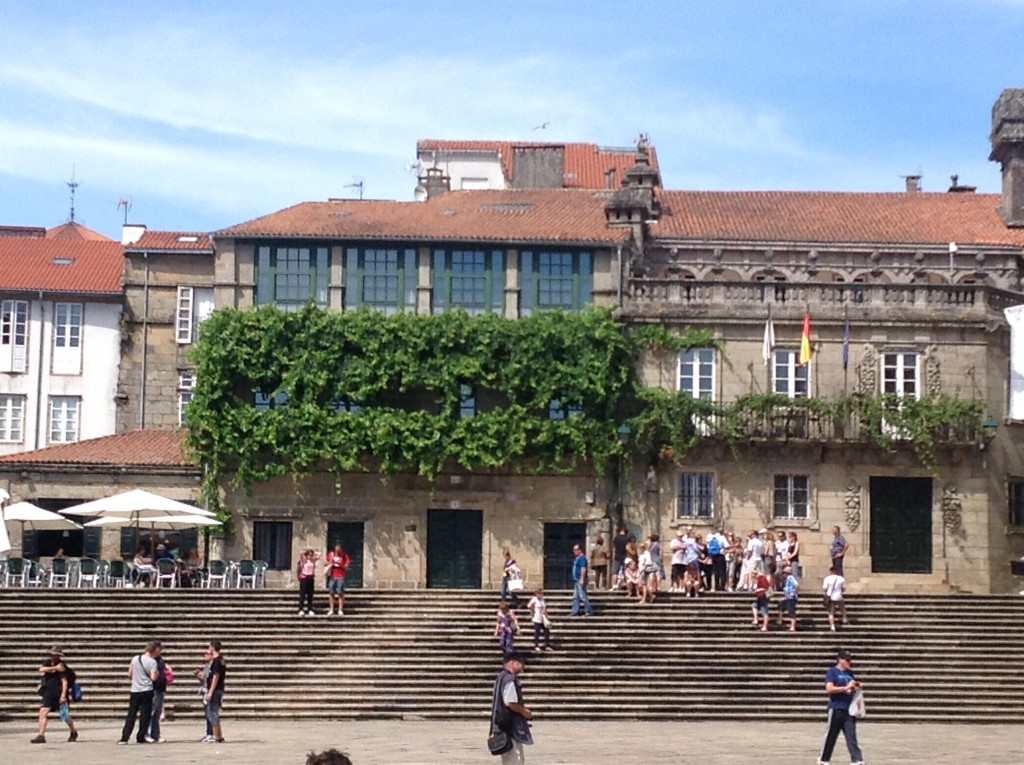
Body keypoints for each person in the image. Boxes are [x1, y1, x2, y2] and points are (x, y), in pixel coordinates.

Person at [817, 649, 865, 765]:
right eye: (847, 660)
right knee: (831, 734)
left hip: (848, 708)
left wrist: (856, 686)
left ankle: (857, 759)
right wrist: (844, 688)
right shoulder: (832, 672)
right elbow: (829, 688)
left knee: (851, 734)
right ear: (840, 660)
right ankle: (824, 758)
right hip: (836, 707)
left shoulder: (849, 673)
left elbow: (851, 685)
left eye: (850, 660)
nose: (849, 662)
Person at [490, 653, 533, 765]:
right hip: (510, 727)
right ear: (513, 663)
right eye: (521, 664)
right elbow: (510, 702)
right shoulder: (509, 679)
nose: (523, 667)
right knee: (515, 759)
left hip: (501, 725)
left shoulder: (501, 677)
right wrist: (524, 711)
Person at [31, 645, 78, 744]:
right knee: (43, 712)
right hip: (48, 692)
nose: (53, 656)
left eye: (55, 655)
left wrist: (63, 695)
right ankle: (41, 735)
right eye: (52, 654)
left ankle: (73, 731)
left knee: (64, 715)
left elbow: (64, 682)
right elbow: (41, 669)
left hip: (59, 693)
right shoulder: (48, 663)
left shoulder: (62, 666)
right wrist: (54, 668)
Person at [118, 641, 160, 745]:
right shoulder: (152, 662)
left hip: (135, 690)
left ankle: (125, 737)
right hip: (147, 690)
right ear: (154, 650)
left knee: (131, 714)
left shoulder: (135, 659)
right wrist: (157, 674)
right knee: (145, 715)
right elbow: (153, 678)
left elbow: (129, 674)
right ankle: (141, 736)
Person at [148, 641, 173, 743]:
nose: (161, 651)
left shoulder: (159, 660)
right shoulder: (150, 660)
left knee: (157, 713)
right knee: (152, 712)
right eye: (160, 649)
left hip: (160, 688)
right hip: (153, 688)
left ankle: (155, 734)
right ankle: (149, 733)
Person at [203, 639, 226, 744]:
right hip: (219, 688)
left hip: (216, 689)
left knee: (212, 712)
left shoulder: (217, 661)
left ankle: (217, 735)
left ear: (213, 648)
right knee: (213, 712)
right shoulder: (222, 660)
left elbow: (215, 677)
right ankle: (218, 735)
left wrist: (210, 691)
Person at [325, 543, 351, 615]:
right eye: (336, 549)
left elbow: (346, 567)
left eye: (339, 549)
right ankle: (331, 609)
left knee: (340, 593)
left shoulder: (345, 557)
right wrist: (331, 563)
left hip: (340, 576)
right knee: (331, 593)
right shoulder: (331, 555)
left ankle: (340, 609)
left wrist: (341, 564)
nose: (337, 551)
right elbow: (325, 563)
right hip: (332, 576)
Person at [823, 566, 848, 631]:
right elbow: (843, 588)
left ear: (831, 571)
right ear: (836, 571)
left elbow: (824, 589)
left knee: (831, 612)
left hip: (830, 597)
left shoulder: (827, 579)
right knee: (842, 608)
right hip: (839, 596)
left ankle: (832, 626)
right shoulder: (841, 579)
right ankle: (844, 619)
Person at [569, 543, 592, 616]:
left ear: (580, 550)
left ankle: (589, 610)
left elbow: (583, 568)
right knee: (576, 596)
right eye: (574, 550)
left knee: (582, 596)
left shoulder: (582, 558)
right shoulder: (577, 558)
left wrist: (582, 578)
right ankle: (575, 611)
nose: (574, 551)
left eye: (576, 550)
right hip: (576, 580)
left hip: (580, 579)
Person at [526, 587, 551, 651]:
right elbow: (529, 605)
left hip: (543, 618)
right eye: (540, 593)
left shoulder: (542, 599)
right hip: (537, 618)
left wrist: (546, 615)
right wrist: (533, 610)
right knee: (537, 632)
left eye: (541, 593)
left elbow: (544, 607)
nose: (541, 594)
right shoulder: (534, 599)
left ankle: (546, 644)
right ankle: (536, 645)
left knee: (546, 631)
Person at [296, 548, 320, 616]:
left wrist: (314, 553)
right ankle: (301, 609)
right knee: (302, 595)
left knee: (310, 595)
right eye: (309, 555)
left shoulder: (313, 561)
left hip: (310, 577)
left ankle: (310, 609)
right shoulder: (303, 561)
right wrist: (306, 551)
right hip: (304, 577)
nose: (310, 556)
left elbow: (319, 555)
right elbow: (301, 553)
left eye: (311, 555)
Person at [777, 565, 799, 631]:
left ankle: (793, 627)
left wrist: (794, 592)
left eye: (784, 573)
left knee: (791, 611)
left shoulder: (790, 577)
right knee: (781, 606)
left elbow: (796, 585)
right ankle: (779, 620)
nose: (783, 574)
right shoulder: (787, 579)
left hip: (791, 598)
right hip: (788, 597)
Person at [708, 527, 728, 591]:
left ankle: (716, 586)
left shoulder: (712, 537)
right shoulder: (722, 537)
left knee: (715, 571)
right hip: (720, 555)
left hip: (713, 555)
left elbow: (708, 546)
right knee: (722, 571)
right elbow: (726, 546)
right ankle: (722, 586)